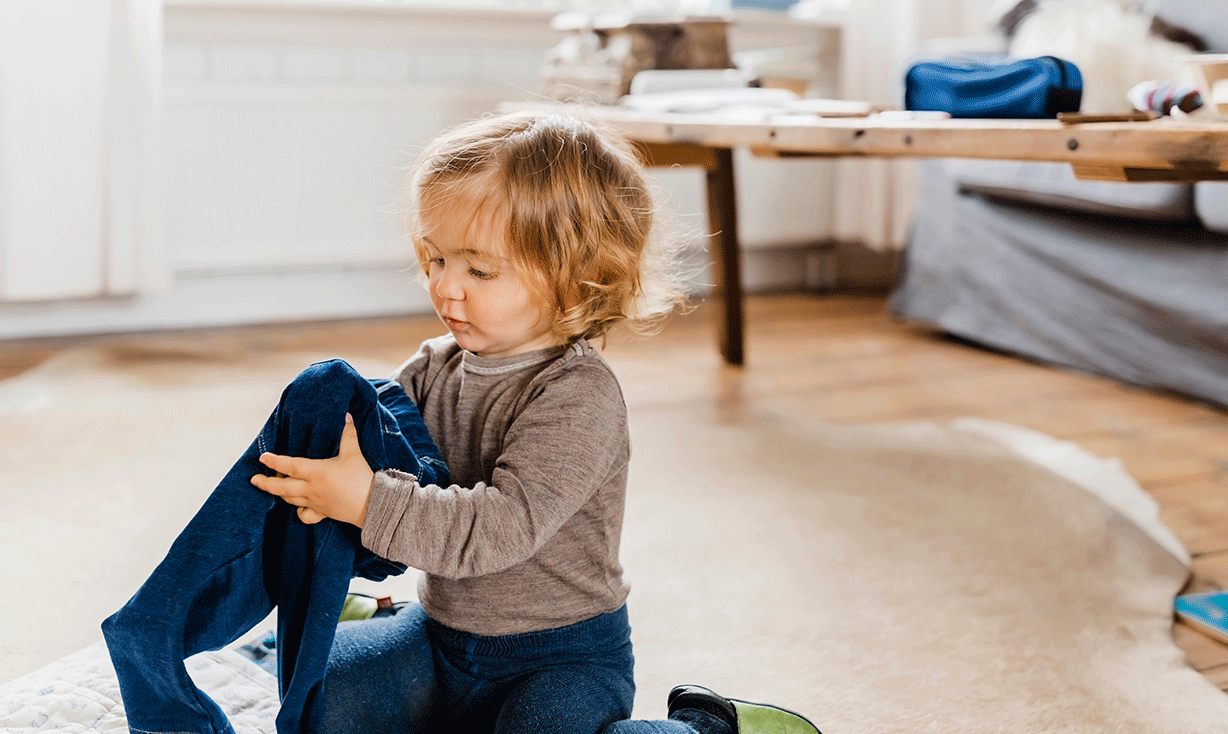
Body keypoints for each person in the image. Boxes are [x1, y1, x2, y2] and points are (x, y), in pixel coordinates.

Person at [247, 110, 822, 734]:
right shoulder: (431, 368)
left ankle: (708, 727)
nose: (446, 288)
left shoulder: (578, 397)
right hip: (439, 638)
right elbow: (385, 451)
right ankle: (378, 618)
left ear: (576, 287)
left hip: (561, 659)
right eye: (435, 258)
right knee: (312, 702)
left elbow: (499, 528)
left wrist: (366, 502)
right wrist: (325, 465)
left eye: (479, 270)